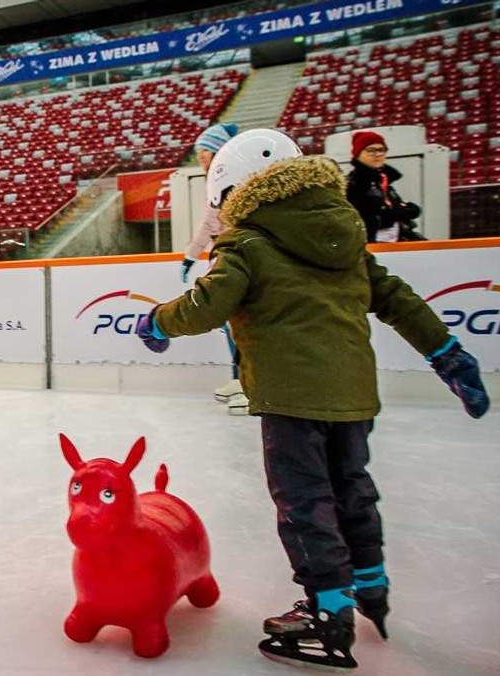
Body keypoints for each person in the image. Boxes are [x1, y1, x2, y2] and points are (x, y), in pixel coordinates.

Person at [135, 129, 489, 670]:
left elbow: (206, 305)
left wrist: (156, 320)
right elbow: (397, 298)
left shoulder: (247, 243)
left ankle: (328, 612)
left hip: (290, 398)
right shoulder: (344, 234)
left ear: (237, 191)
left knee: (304, 502)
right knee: (352, 485)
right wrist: (448, 354)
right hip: (353, 395)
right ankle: (371, 583)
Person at [182, 122, 246, 415]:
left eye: (204, 151)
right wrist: (192, 256)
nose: (200, 158)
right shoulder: (216, 181)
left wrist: (192, 255)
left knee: (241, 324)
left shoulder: (235, 179)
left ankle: (250, 383)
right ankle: (240, 377)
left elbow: (216, 223)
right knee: (230, 323)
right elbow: (209, 223)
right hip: (222, 256)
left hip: (238, 256)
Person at [345, 130, 424, 243]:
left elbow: (392, 209)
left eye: (381, 150)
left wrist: (408, 211)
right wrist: (394, 215)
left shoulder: (383, 180)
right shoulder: (353, 184)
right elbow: (358, 221)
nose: (377, 155)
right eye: (371, 151)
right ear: (358, 154)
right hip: (371, 247)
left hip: (397, 243)